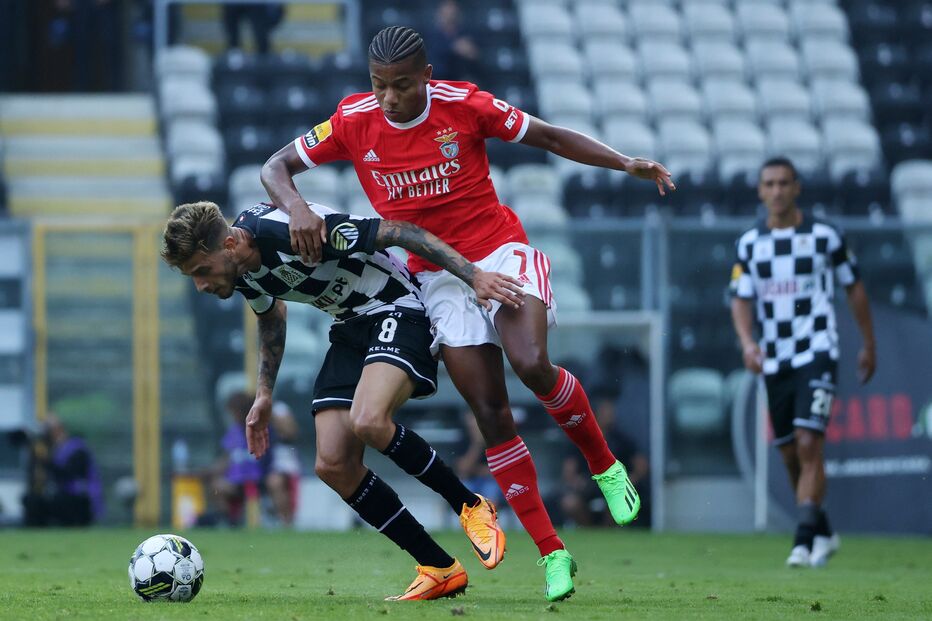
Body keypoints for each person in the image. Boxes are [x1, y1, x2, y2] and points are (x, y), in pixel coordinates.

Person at [260, 26, 674, 601]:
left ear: (426, 77)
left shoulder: (465, 104)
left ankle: (604, 464)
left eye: (401, 86)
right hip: (439, 279)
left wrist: (624, 162)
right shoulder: (353, 119)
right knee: (490, 410)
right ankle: (554, 555)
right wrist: (297, 209)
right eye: (379, 86)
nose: (389, 98)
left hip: (499, 250)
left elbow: (549, 137)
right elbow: (274, 168)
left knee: (531, 364)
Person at [161, 200, 524, 600]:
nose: (201, 285)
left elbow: (401, 232)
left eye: (200, 271)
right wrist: (264, 394)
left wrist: (474, 275)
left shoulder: (293, 232)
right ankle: (438, 567)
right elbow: (271, 315)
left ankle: (471, 505)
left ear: (229, 244)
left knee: (367, 420)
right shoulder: (241, 268)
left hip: (399, 306)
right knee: (332, 463)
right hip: (351, 327)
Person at [730, 157, 877, 568]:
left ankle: (802, 540)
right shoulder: (748, 245)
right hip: (774, 358)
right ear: (761, 191)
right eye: (769, 184)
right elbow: (740, 298)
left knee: (811, 442)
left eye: (783, 183)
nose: (776, 191)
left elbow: (855, 288)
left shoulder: (825, 236)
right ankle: (824, 531)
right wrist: (747, 343)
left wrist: (868, 343)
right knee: (791, 454)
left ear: (797, 188)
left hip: (817, 350)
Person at [21, 413, 104, 527]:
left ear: (58, 429)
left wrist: (46, 461)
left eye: (48, 430)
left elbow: (68, 475)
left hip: (80, 499)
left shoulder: (77, 448)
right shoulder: (51, 449)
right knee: (31, 500)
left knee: (60, 501)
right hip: (61, 496)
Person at [424, 0, 479, 81]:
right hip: (438, 80)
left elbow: (475, 59)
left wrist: (472, 54)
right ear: (440, 11)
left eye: (453, 7)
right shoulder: (430, 34)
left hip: (461, 81)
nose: (450, 12)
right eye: (447, 7)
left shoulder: (466, 33)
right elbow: (433, 62)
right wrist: (453, 48)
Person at [265, 400, 301, 527]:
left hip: (283, 460)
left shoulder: (278, 409)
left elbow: (291, 432)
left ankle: (285, 520)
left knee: (275, 482)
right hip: (261, 460)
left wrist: (274, 420)